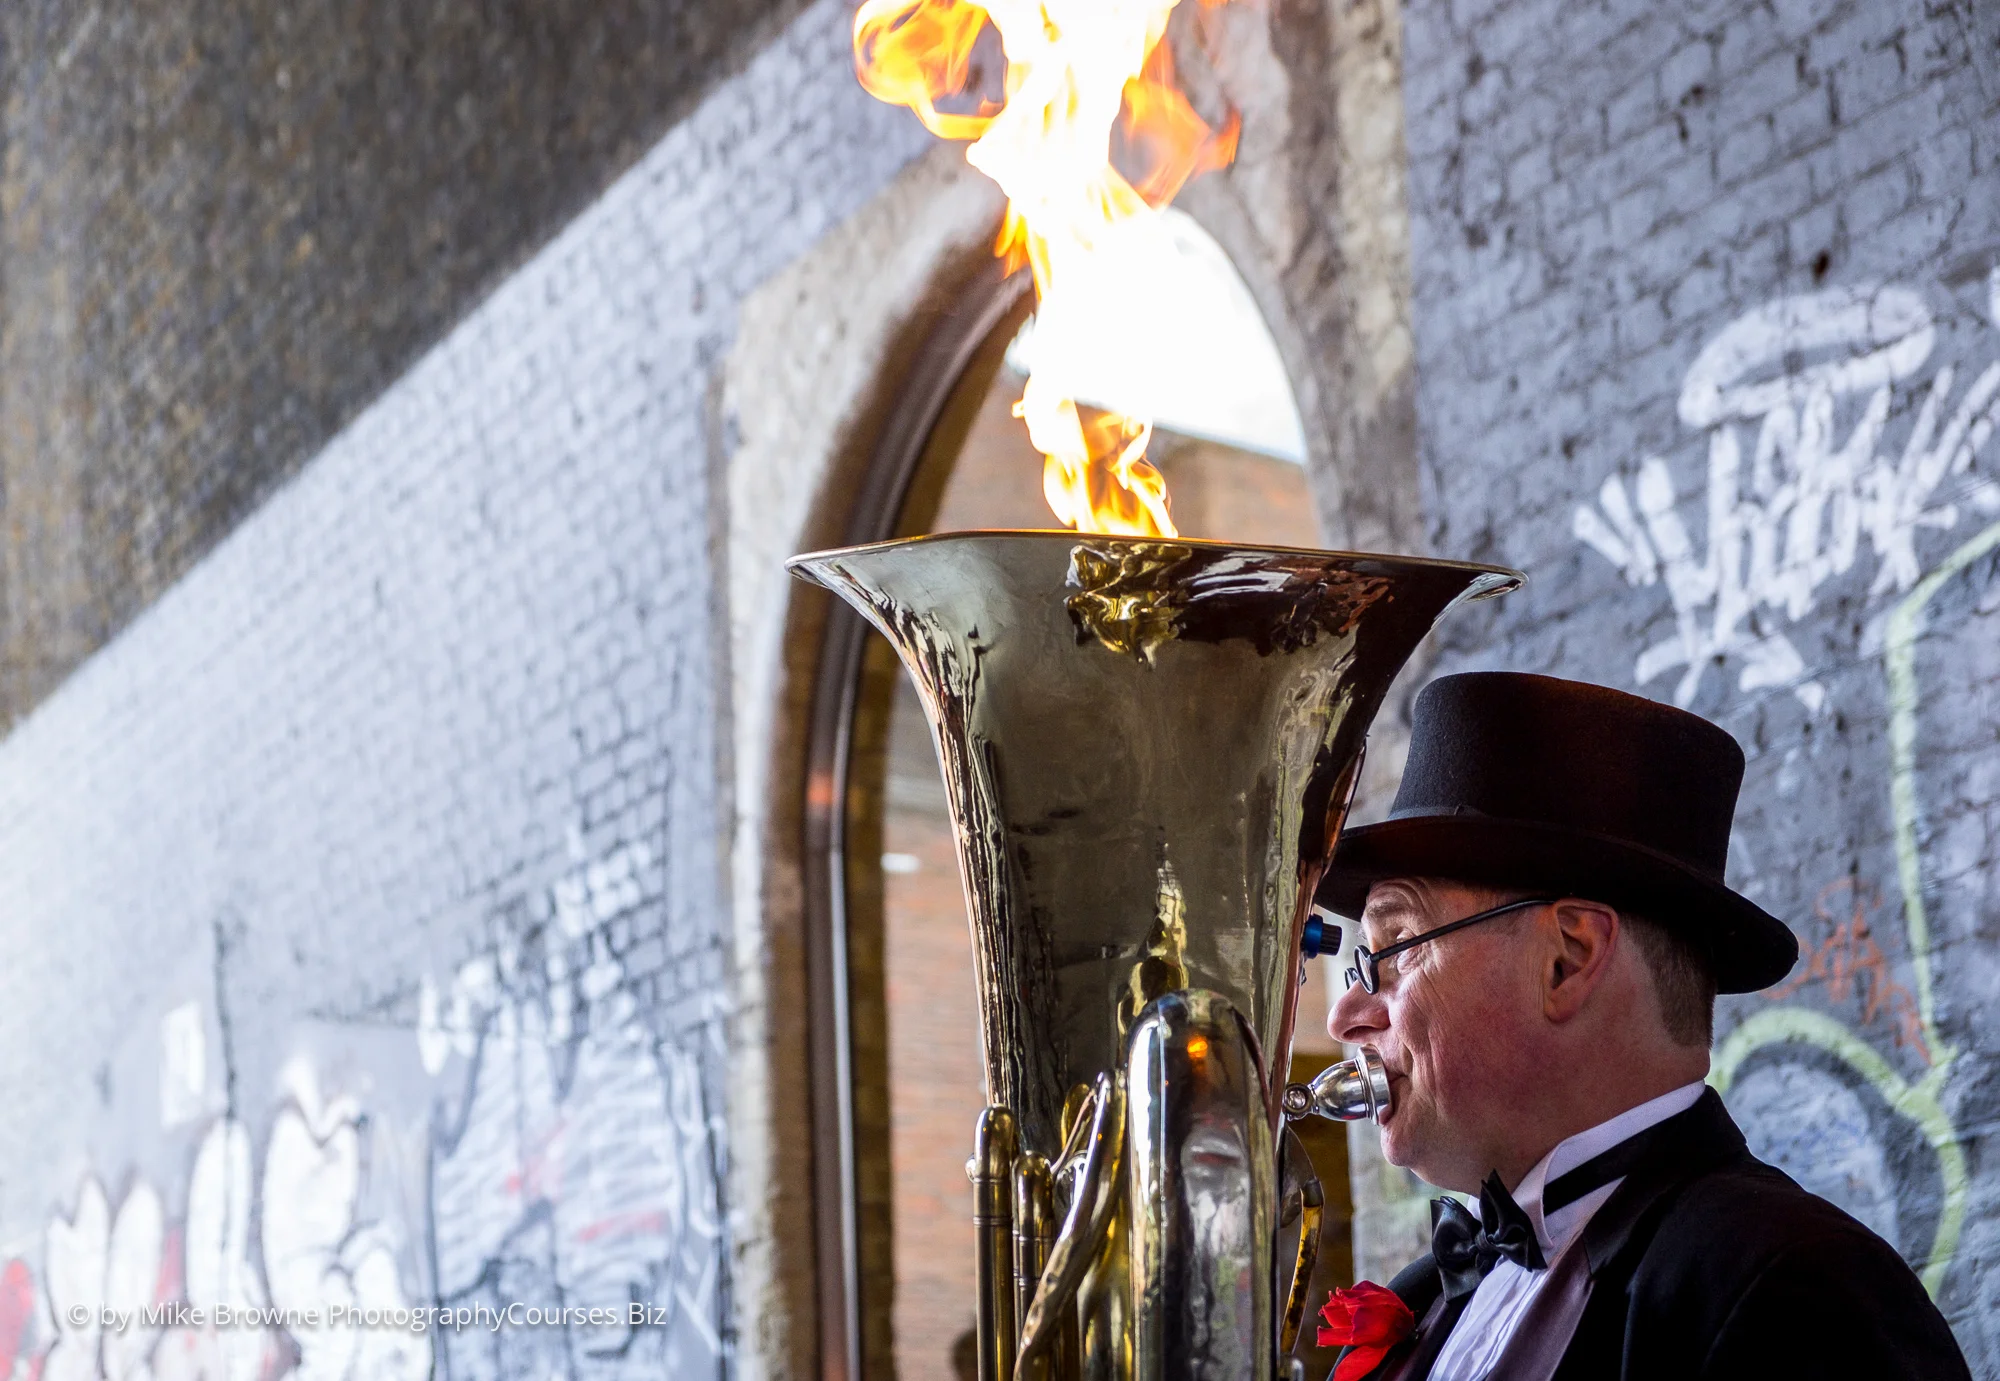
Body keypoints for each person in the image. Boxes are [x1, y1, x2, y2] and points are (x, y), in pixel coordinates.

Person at [1314, 671, 1971, 1380]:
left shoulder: (1801, 1287)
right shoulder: (1429, 1297)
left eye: (1397, 948)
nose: (1344, 1014)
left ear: (1568, 960)